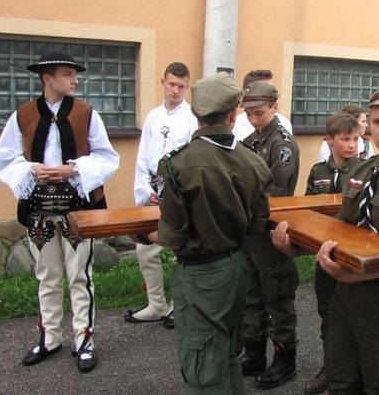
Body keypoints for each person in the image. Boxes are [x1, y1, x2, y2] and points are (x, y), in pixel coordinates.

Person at [272, 82, 379, 394]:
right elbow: (341, 227)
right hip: (346, 296)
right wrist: (295, 248)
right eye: (377, 122)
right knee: (342, 378)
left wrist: (348, 276)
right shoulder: (364, 170)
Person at [140, 72, 272, 394]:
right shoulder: (255, 163)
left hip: (200, 276)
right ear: (233, 115)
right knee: (226, 354)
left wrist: (144, 237)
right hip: (238, 267)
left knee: (201, 367)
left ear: (196, 114)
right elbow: (258, 224)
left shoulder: (177, 165)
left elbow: (173, 236)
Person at [0, 50, 120, 373]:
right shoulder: (22, 115)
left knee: (80, 276)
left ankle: (84, 339)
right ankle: (49, 337)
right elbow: (5, 158)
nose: (74, 79)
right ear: (47, 78)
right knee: (47, 276)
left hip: (76, 209)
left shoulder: (86, 113)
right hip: (39, 209)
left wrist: (72, 169)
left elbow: (107, 157)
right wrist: (33, 169)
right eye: (67, 73)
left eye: (74, 74)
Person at [238, 80, 301, 389]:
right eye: (249, 114)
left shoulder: (283, 145)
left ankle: (284, 359)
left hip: (271, 233)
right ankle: (254, 354)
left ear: (275, 107)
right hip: (250, 232)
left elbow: (277, 194)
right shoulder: (251, 140)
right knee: (252, 294)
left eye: (259, 113)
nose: (253, 119)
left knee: (276, 298)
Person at [126, 62, 196, 329]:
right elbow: (143, 157)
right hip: (153, 190)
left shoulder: (192, 118)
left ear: (187, 87)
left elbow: (190, 161)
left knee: (181, 250)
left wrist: (177, 195)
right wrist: (146, 191)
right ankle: (156, 304)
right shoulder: (153, 117)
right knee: (145, 249)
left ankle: (180, 305)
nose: (175, 90)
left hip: (178, 193)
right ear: (163, 82)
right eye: (171, 84)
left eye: (181, 86)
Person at [303, 111, 365, 393]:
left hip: (354, 256)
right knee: (328, 315)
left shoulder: (366, 171)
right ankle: (330, 368)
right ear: (329, 140)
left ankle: (356, 371)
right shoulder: (318, 172)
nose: (352, 145)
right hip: (326, 255)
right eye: (345, 139)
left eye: (355, 139)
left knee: (358, 315)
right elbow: (308, 211)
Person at [232, 69, 293, 141]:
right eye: (267, 90)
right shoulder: (235, 124)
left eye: (273, 89)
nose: (273, 94)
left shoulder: (284, 123)